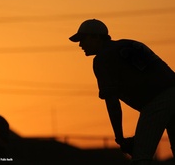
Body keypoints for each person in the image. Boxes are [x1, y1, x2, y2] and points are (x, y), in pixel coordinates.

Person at [69, 19, 175, 164]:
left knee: (141, 156)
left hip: (157, 100)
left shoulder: (102, 60)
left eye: (83, 39)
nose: (80, 44)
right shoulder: (129, 43)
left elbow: (112, 102)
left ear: (97, 37)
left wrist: (120, 138)